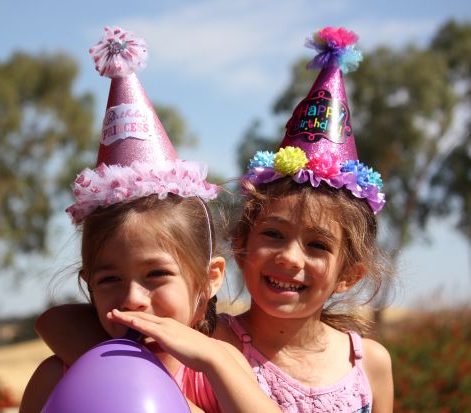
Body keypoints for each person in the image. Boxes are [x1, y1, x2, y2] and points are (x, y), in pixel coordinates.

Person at [35, 27, 394, 412]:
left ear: (350, 274)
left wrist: (215, 361)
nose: (290, 258)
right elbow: (59, 322)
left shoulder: (367, 362)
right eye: (273, 234)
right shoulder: (208, 341)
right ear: (242, 244)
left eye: (318, 245)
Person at [20, 27, 281, 413]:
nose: (132, 300)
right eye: (108, 279)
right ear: (87, 285)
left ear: (209, 279)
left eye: (156, 275)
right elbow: (53, 320)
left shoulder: (218, 375)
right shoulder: (59, 374)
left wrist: (215, 360)